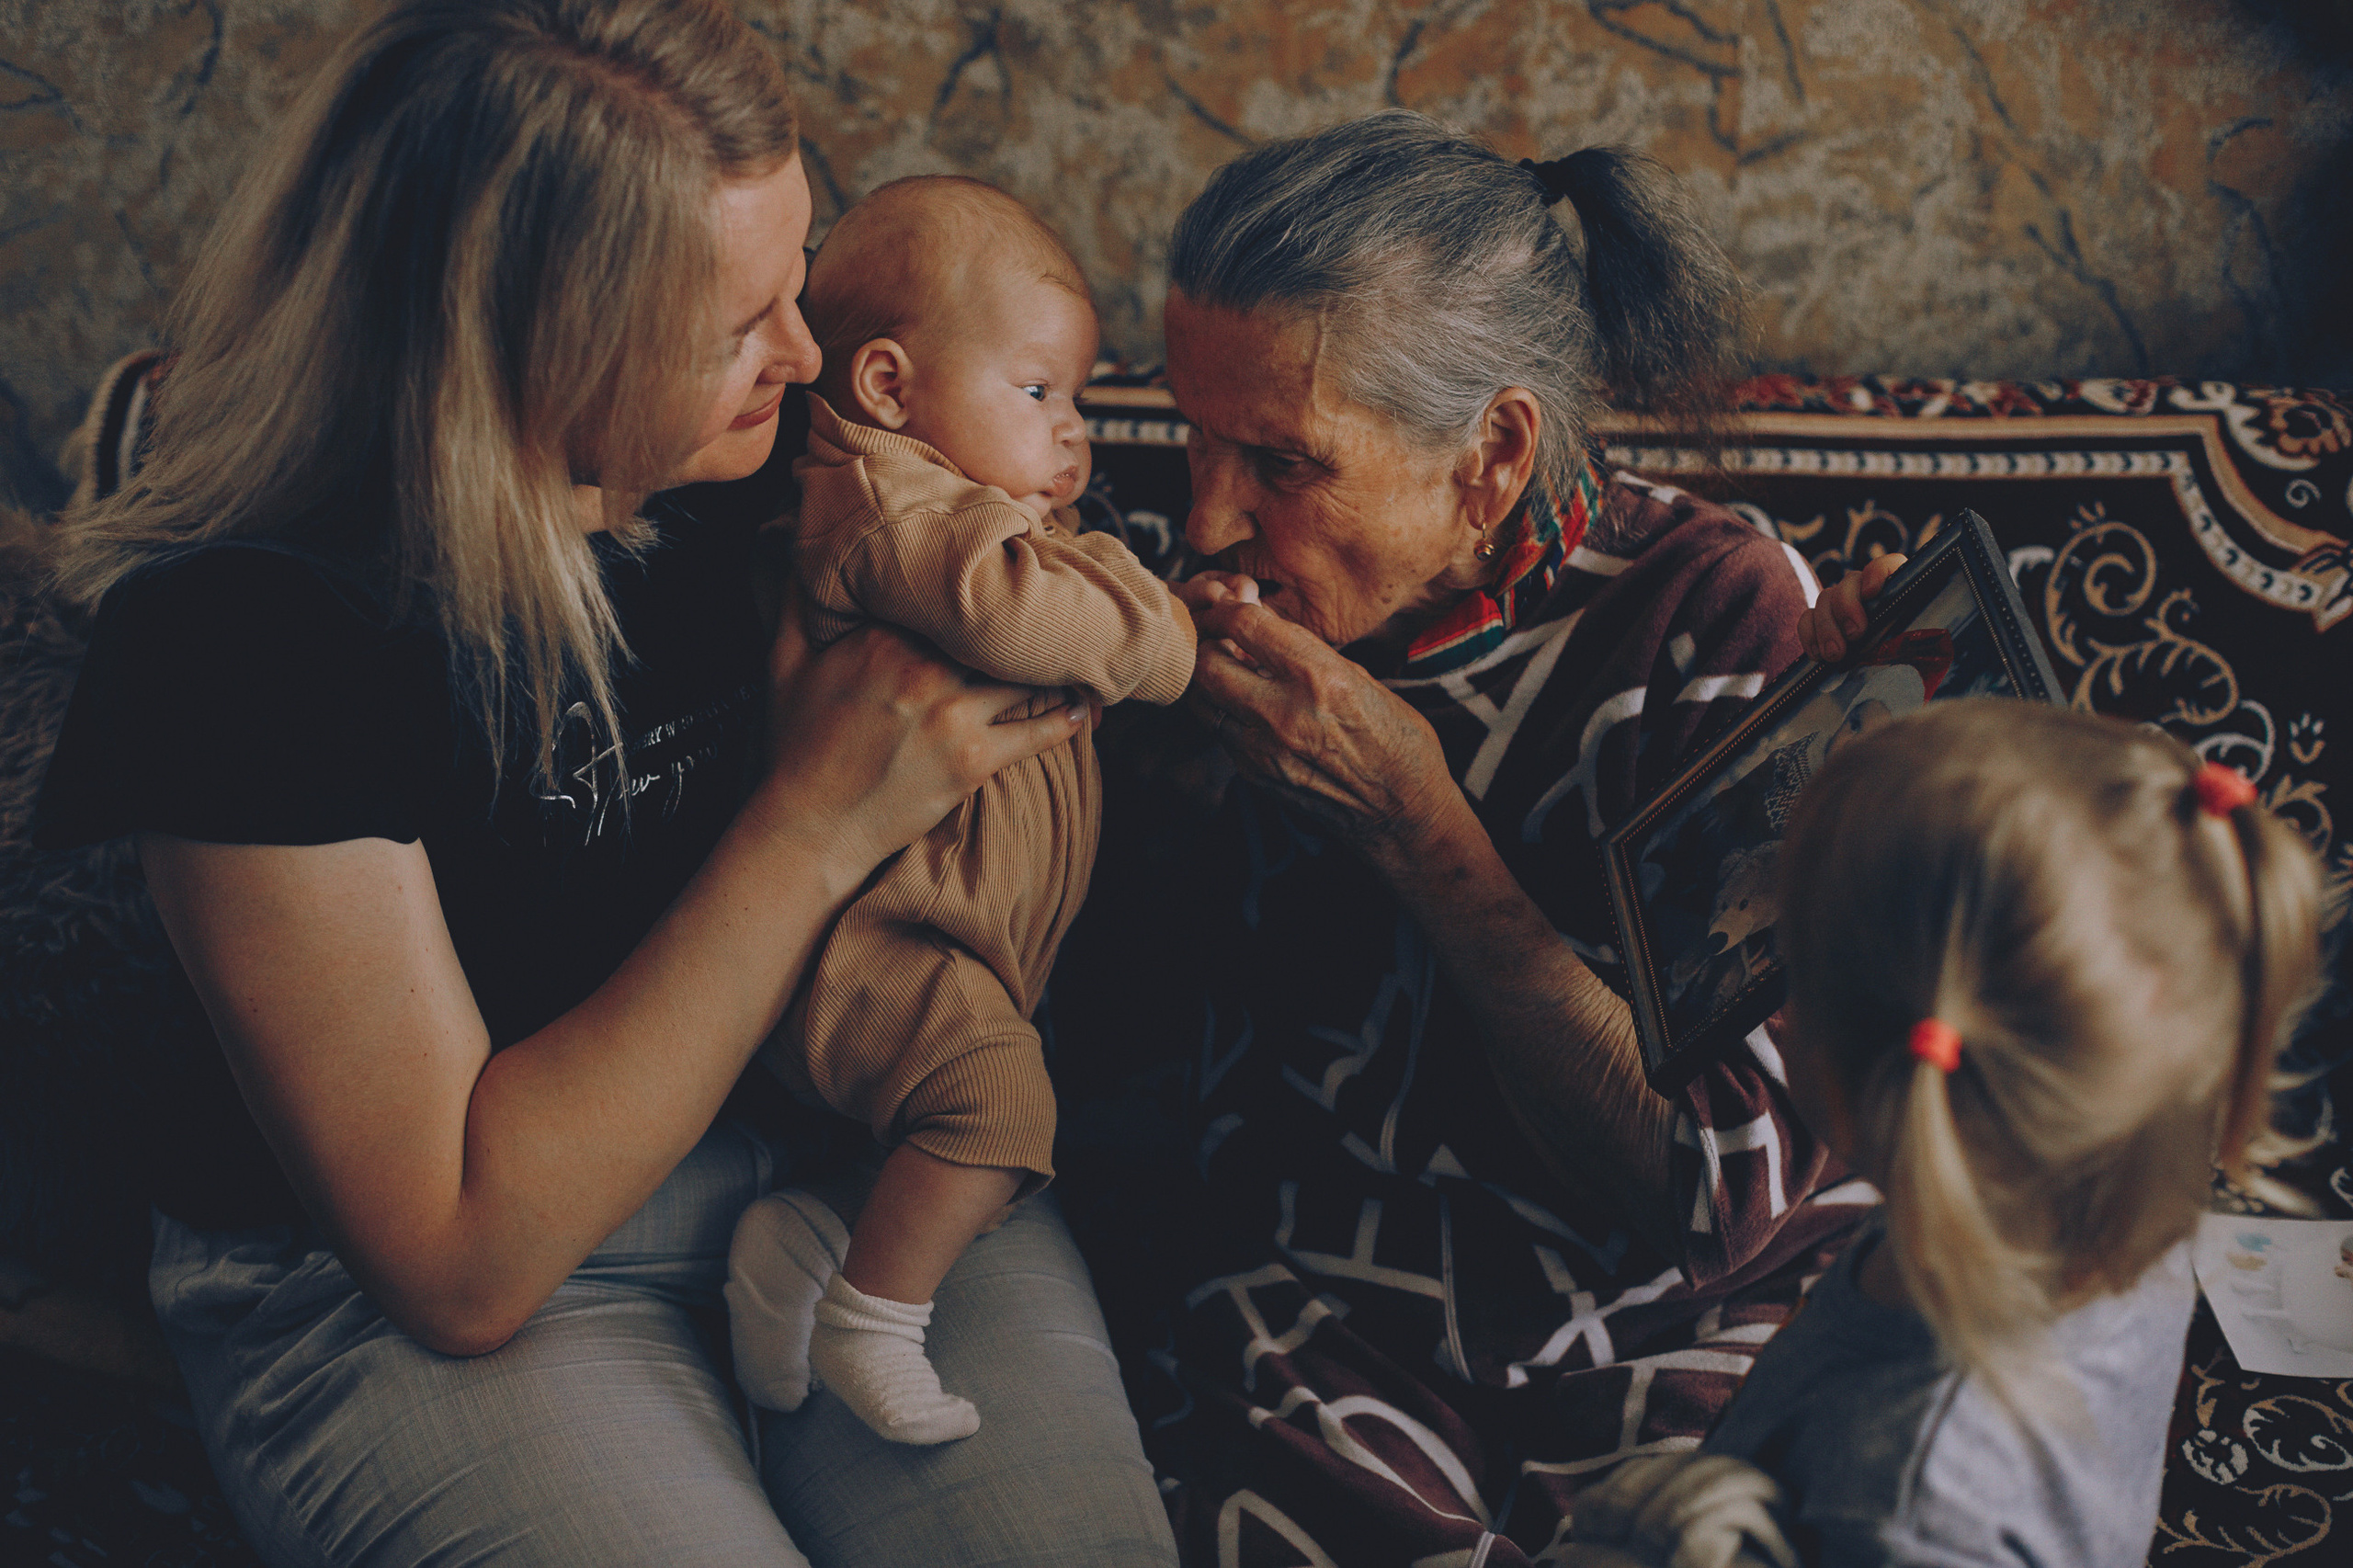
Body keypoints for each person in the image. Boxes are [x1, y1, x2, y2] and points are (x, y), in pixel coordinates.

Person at [30, 3, 1177, 1563]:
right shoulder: (249, 642)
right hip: (450, 1283)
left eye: (799, 284)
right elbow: (458, 1257)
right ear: (523, 341)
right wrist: (815, 822)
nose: (806, 354)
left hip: (854, 1161)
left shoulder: (777, 460)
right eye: (738, 326)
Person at [1046, 109, 1904, 1564]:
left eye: (1281, 462)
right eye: (1188, 433)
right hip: (1324, 1307)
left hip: (1672, 1328)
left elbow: (1706, 1198)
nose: (1205, 518)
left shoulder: (1715, 623)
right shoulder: (1158, 599)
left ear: (1493, 454)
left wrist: (1421, 829)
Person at [723, 176, 1197, 1446]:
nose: (1074, 434)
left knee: (988, 1137)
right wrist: (1161, 628)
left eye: (1081, 401)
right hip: (873, 944)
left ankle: (813, 1239)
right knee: (1000, 1113)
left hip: (958, 944)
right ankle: (874, 1322)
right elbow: (1016, 612)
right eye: (1041, 392)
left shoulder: (961, 509)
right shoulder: (888, 505)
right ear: (889, 388)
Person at [1704, 700, 2324, 1566]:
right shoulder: (2098, 1186)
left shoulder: (1904, 1509)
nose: (1781, 1006)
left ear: (1876, 1086)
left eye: (1794, 969)